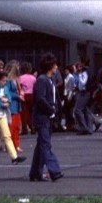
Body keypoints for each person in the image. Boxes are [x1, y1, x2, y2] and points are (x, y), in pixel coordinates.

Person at [27, 54, 64, 182]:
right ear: (50, 67)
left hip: (49, 117)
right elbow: (40, 99)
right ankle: (55, 170)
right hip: (42, 118)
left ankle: (35, 172)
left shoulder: (50, 80)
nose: (57, 67)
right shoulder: (42, 80)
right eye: (55, 65)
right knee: (45, 145)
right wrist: (51, 108)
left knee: (41, 145)